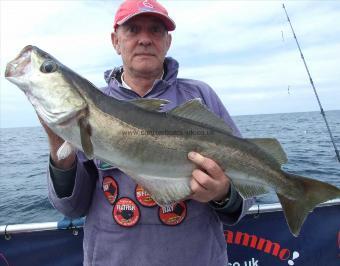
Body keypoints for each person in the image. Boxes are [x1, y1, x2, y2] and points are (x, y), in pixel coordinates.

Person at [43, 0, 253, 265]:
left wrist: (224, 195)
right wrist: (61, 158)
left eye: (155, 30)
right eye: (132, 30)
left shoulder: (201, 97)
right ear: (115, 41)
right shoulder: (90, 108)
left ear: (168, 42)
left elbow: (248, 195)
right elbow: (72, 207)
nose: (144, 39)